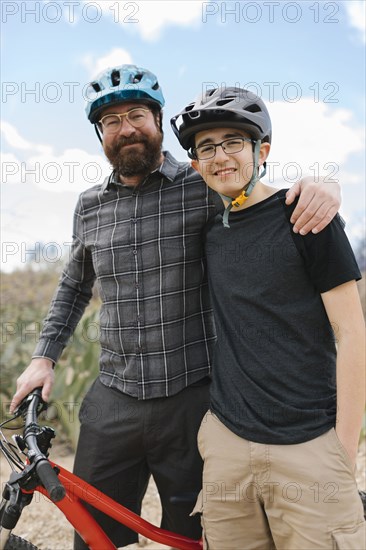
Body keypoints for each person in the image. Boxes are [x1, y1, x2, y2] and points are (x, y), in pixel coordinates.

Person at [10, 65, 343, 549]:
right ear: (100, 134)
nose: (125, 128)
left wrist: (321, 187)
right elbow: (73, 285)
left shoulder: (202, 185)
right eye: (110, 121)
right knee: (97, 535)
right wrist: (43, 357)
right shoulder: (88, 206)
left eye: (136, 114)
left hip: (196, 399)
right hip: (113, 397)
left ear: (159, 120)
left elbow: (258, 196)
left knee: (197, 536)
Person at [170, 86, 366, 549]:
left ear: (263, 150)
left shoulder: (307, 218)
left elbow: (352, 332)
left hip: (311, 444)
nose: (221, 156)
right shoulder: (208, 232)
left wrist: (343, 449)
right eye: (207, 147)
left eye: (233, 141)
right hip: (227, 445)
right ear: (196, 164)